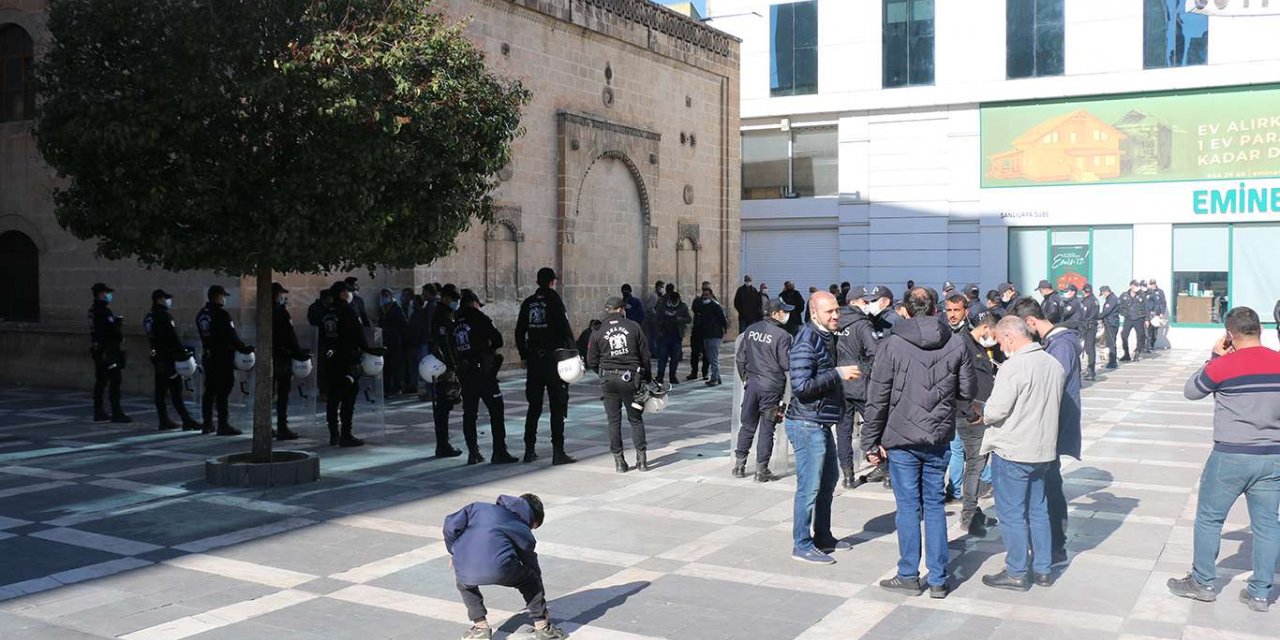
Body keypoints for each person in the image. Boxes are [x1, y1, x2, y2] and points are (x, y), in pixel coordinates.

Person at [862, 288, 975, 598]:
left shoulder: (892, 344)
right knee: (935, 505)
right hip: (937, 435)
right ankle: (939, 578)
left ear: (905, 311)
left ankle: (909, 574)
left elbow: (878, 396)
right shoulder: (955, 342)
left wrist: (869, 441)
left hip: (901, 437)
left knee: (909, 508)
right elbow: (967, 391)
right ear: (936, 309)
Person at [1166, 307, 1280, 612]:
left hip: (1230, 454)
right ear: (1261, 331)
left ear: (1229, 335)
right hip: (1272, 456)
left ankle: (1202, 582)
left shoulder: (1224, 365)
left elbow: (1191, 391)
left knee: (1210, 518)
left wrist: (1215, 358)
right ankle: (1259, 593)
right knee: (1267, 524)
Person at [978, 316, 1064, 591]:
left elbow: (995, 410)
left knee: (1012, 513)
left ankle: (1016, 571)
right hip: (1043, 450)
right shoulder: (1053, 363)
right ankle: (1042, 569)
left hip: (1014, 450)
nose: (1001, 348)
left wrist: (982, 410)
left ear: (1011, 337)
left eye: (1002, 342)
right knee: (1038, 510)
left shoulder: (1014, 366)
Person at [785, 291, 861, 565]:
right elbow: (802, 387)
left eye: (837, 311)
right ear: (814, 313)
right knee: (809, 487)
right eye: (829, 312)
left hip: (819, 421)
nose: (835, 316)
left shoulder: (826, 336)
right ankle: (801, 544)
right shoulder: (807, 340)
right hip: (806, 423)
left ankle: (823, 536)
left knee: (828, 481)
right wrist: (838, 374)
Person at [1010, 298, 1081, 567]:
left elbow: (1049, 384)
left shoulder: (1060, 345)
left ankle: (1055, 548)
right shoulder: (1056, 343)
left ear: (1030, 322)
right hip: (1050, 424)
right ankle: (1048, 546)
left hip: (1052, 426)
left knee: (1050, 488)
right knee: (1047, 485)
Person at [444, 494, 568, 640]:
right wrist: (541, 605)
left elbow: (450, 525)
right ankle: (542, 627)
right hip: (500, 568)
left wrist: (453, 551)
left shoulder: (478, 508)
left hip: (464, 565)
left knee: (464, 583)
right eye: (533, 525)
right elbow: (530, 564)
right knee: (530, 580)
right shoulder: (522, 529)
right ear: (531, 517)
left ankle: (480, 629)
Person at [515, 268, 577, 465]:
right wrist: (573, 353)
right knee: (557, 406)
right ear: (552, 282)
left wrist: (524, 354)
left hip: (534, 360)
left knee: (534, 406)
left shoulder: (528, 302)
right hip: (553, 360)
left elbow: (519, 332)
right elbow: (564, 329)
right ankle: (558, 452)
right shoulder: (554, 300)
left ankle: (529, 449)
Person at [586, 296, 653, 473]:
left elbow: (591, 360)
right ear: (622, 309)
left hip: (608, 380)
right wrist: (647, 377)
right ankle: (642, 460)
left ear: (608, 310)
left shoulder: (598, 330)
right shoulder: (633, 326)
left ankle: (619, 462)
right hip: (630, 379)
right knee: (636, 419)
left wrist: (602, 374)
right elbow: (645, 356)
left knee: (613, 421)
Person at [453, 289, 518, 465]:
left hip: (465, 373)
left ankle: (473, 452)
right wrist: (487, 349)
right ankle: (499, 451)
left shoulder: (454, 320)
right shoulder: (479, 318)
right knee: (496, 410)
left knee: (469, 414)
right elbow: (498, 340)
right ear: (474, 303)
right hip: (483, 372)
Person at [735, 298, 794, 482]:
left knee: (747, 425)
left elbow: (740, 358)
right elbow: (786, 364)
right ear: (775, 313)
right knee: (767, 428)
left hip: (752, 384)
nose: (786, 314)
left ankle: (739, 465)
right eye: (784, 311)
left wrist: (745, 378)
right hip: (771, 387)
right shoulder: (782, 336)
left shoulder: (750, 330)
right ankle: (762, 469)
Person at [320, 280, 381, 447]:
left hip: (331, 359)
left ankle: (334, 434)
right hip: (346, 360)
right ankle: (346, 434)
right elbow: (358, 334)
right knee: (348, 397)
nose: (350, 294)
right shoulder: (347, 310)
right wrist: (369, 349)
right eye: (348, 292)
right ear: (342, 294)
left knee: (333, 398)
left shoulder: (327, 312)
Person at [956, 315, 999, 536]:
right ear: (985, 328)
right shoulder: (963, 344)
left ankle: (974, 511)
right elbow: (957, 381)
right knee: (975, 466)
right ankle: (969, 516)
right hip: (971, 416)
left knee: (977, 465)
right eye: (993, 335)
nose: (994, 340)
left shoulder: (976, 347)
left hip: (980, 413)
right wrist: (970, 410)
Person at [834, 288, 877, 489]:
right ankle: (884, 469)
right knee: (874, 424)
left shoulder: (833, 322)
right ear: (854, 302)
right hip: (860, 384)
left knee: (843, 431)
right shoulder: (862, 325)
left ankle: (848, 475)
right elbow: (874, 353)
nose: (868, 304)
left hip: (838, 383)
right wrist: (862, 369)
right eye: (865, 301)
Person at [196, 284, 252, 436]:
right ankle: (223, 424)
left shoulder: (201, 314)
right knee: (223, 391)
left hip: (208, 356)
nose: (224, 299)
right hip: (222, 357)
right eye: (223, 296)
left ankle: (207, 423)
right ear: (217, 296)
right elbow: (231, 336)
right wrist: (245, 349)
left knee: (209, 391)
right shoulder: (221, 315)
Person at [143, 289, 198, 431]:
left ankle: (164, 420)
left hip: (158, 357)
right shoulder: (163, 316)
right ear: (160, 299)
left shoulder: (149, 316)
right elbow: (172, 337)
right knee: (175, 390)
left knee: (160, 391)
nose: (169, 301)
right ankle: (186, 420)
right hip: (168, 359)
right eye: (166, 298)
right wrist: (183, 353)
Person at [88, 282, 131, 423]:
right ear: (100, 294)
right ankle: (116, 412)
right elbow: (111, 331)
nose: (108, 295)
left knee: (101, 381)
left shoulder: (93, 310)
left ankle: (99, 411)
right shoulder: (103, 311)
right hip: (108, 351)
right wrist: (117, 326)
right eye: (106, 293)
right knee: (114, 381)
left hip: (99, 350)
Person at [431, 285, 464, 457]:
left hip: (445, 365)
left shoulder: (447, 314)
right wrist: (451, 366)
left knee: (446, 406)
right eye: (453, 299)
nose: (456, 302)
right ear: (445, 298)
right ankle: (442, 445)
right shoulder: (441, 316)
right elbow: (444, 345)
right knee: (443, 406)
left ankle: (443, 443)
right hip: (444, 367)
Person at [270, 283, 306, 441]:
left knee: (269, 393)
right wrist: (298, 352)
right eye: (281, 294)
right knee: (283, 393)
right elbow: (289, 334)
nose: (282, 297)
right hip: (282, 356)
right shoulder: (280, 312)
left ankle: (266, 425)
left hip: (270, 355)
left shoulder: (264, 310)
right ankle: (282, 427)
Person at [655, 290, 691, 385]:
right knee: (662, 358)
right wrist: (659, 330)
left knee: (675, 358)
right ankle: (660, 376)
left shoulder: (682, 307)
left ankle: (672, 376)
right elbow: (657, 318)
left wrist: (680, 319)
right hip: (664, 335)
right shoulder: (663, 306)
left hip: (676, 336)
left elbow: (689, 319)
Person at [378, 288, 408, 398]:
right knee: (386, 366)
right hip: (386, 340)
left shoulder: (396, 308)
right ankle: (386, 388)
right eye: (383, 296)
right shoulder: (383, 309)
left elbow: (403, 323)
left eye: (386, 295)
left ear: (391, 296)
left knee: (396, 365)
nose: (384, 298)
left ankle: (397, 388)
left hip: (395, 340)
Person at [696, 286, 728, 386]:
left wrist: (724, 330)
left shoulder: (715, 306)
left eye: (707, 295)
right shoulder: (702, 306)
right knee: (710, 357)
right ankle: (717, 377)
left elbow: (723, 319)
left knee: (713, 357)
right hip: (706, 335)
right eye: (703, 295)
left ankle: (714, 378)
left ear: (710, 295)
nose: (705, 297)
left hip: (715, 335)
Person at [308, 288, 335, 397]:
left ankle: (330, 389)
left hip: (332, 341)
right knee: (322, 367)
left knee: (332, 367)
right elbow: (314, 322)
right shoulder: (315, 308)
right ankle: (324, 390)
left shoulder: (332, 308)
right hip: (321, 341)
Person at [1118, 280, 1146, 362]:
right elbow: (1119, 305)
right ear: (1131, 286)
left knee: (1140, 336)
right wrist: (1123, 313)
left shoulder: (1142, 295)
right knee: (1123, 335)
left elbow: (1147, 307)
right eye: (1135, 286)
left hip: (1139, 318)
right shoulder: (1124, 295)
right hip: (1128, 318)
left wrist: (1147, 319)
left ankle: (1137, 352)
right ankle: (1126, 354)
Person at [687, 283, 708, 382]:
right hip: (697, 330)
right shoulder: (698, 300)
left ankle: (705, 373)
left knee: (706, 354)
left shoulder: (712, 301)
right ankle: (694, 372)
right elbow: (696, 309)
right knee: (695, 353)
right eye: (704, 289)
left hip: (706, 332)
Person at [1080, 284, 1100, 381]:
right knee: (1090, 348)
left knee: (1089, 348)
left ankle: (1091, 370)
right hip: (1092, 326)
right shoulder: (1094, 300)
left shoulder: (1088, 301)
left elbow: (1084, 315)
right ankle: (1091, 369)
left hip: (1089, 327)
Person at [1098, 285, 1121, 369]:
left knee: (1111, 343)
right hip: (1111, 322)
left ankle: (1113, 362)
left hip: (1111, 323)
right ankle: (1112, 361)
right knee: (1110, 342)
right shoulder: (1111, 298)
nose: (1103, 295)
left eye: (1103, 293)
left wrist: (1097, 316)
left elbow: (1106, 312)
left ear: (1105, 291)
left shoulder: (1112, 299)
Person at [1146, 278, 1169, 351]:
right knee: (1148, 331)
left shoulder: (1160, 292)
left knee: (1155, 331)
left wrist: (1162, 313)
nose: (1152, 285)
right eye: (1151, 284)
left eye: (1153, 284)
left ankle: (1152, 345)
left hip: (1157, 315)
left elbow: (1163, 303)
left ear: (1155, 284)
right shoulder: (1147, 292)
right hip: (1149, 314)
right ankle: (1148, 346)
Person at [643, 280, 665, 353]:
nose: (662, 289)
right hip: (651, 320)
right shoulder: (654, 296)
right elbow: (649, 308)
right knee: (652, 337)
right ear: (657, 287)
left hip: (655, 321)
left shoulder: (659, 296)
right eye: (661, 287)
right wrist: (656, 315)